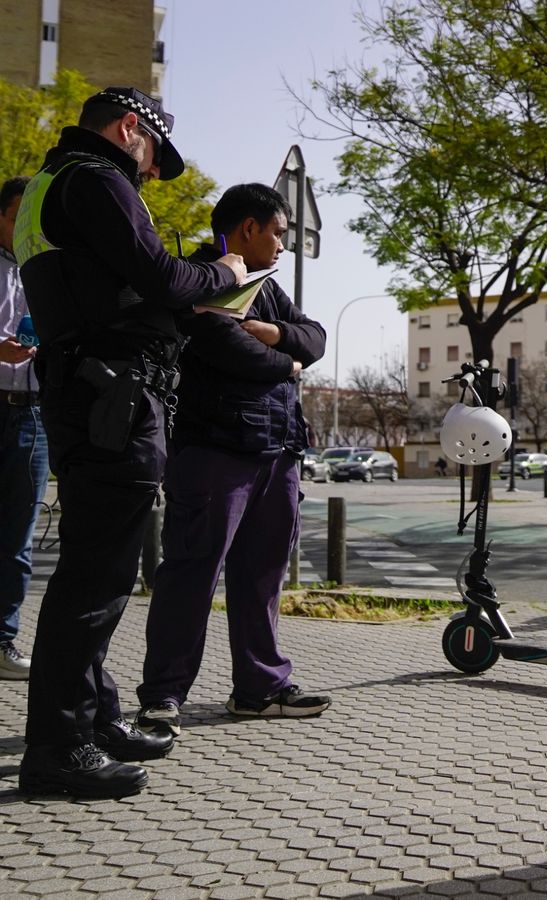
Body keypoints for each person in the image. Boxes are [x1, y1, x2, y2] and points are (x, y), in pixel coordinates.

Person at [11, 86, 249, 798]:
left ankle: (96, 719)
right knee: (95, 578)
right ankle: (58, 749)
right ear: (128, 129)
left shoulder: (53, 184)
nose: (150, 174)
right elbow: (162, 276)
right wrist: (226, 274)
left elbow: (116, 284)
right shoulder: (96, 179)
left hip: (91, 386)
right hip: (112, 393)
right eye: (152, 158)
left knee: (98, 572)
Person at [134, 183, 332, 738]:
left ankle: (260, 689)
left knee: (263, 574)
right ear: (249, 228)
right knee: (192, 573)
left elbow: (314, 340)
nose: (283, 245)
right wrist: (286, 363)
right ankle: (163, 697)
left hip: (278, 450)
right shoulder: (199, 277)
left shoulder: (267, 291)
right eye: (278, 232)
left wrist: (277, 334)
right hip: (214, 451)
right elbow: (225, 347)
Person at [0, 175, 48, 681]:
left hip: (33, 412)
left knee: (18, 537)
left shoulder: (46, 269)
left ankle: (3, 640)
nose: (24, 228)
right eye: (18, 216)